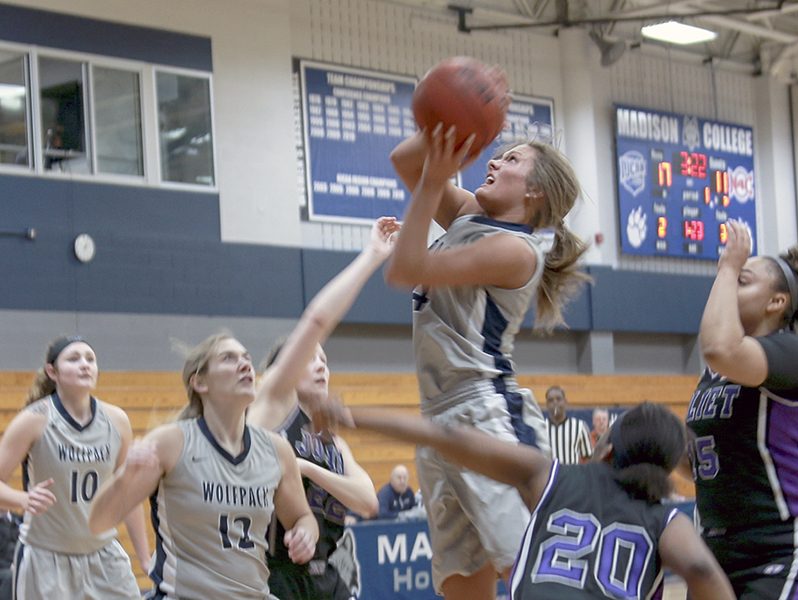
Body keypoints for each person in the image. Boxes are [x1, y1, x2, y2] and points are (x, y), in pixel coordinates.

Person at [387, 118, 591, 599]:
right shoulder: (469, 212)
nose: (495, 160)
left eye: (512, 158)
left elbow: (407, 267)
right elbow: (403, 160)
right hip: (436, 418)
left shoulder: (516, 250)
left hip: (486, 414)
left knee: (530, 571)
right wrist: (446, 130)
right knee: (462, 584)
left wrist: (437, 176)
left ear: (536, 191)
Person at [317, 400, 734, 599]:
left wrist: (352, 416)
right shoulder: (665, 520)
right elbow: (699, 567)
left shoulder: (548, 473)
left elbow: (447, 436)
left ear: (605, 448)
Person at [88, 333, 319, 599]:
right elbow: (98, 523)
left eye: (246, 358)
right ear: (199, 382)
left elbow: (302, 517)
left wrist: (305, 534)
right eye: (228, 358)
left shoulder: (276, 451)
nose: (245, 365)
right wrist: (125, 476)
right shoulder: (171, 443)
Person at [687, 221, 798, 599]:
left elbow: (719, 346)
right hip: (719, 548)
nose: (728, 284)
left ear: (777, 302)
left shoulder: (795, 355)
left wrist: (728, 266)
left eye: (742, 281)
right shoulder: (715, 376)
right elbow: (706, 458)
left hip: (790, 541)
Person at [247, 217, 396, 599]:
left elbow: (368, 503)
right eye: (309, 358)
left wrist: (309, 468)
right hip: (272, 573)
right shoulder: (273, 411)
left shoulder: (333, 443)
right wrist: (371, 257)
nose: (320, 365)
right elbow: (316, 321)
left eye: (325, 360)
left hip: (325, 574)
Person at [0, 336, 150, 600]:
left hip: (103, 555)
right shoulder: (34, 420)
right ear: (52, 372)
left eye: (90, 359)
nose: (85, 365)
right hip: (46, 557)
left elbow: (127, 493)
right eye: (74, 359)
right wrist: (23, 498)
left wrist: (145, 558)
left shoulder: (116, 420)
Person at [544, 386, 591, 464]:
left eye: (558, 399)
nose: (555, 402)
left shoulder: (579, 427)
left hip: (571, 475)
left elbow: (588, 456)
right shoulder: (540, 428)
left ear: (565, 402)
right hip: (548, 475)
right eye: (551, 400)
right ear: (547, 405)